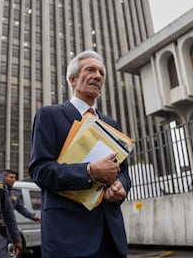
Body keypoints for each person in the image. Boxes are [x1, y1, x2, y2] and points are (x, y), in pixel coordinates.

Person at [29, 50, 131, 258]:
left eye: (101, 72)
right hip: (69, 237)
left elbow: (124, 171)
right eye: (90, 70)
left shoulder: (111, 124)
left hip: (111, 235)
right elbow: (40, 171)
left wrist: (121, 186)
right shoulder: (50, 115)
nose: (98, 75)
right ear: (72, 79)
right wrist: (89, 172)